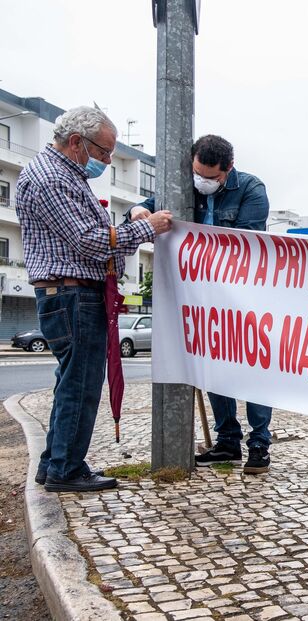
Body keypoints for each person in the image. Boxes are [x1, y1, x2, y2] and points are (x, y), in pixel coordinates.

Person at [17, 106, 173, 492]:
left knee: (71, 381)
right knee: (82, 385)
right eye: (103, 151)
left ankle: (55, 461)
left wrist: (128, 228)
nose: (107, 160)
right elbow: (88, 240)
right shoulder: (52, 177)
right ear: (76, 142)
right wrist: (145, 228)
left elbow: (94, 237)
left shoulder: (62, 174)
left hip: (70, 292)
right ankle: (66, 470)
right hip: (73, 294)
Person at [129, 134, 272, 474]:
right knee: (213, 369)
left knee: (254, 371)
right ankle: (227, 442)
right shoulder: (184, 186)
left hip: (244, 297)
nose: (201, 182)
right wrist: (138, 210)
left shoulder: (251, 189)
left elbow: (243, 245)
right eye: (197, 173)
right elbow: (146, 207)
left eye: (211, 177)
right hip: (202, 300)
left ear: (228, 169)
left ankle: (259, 444)